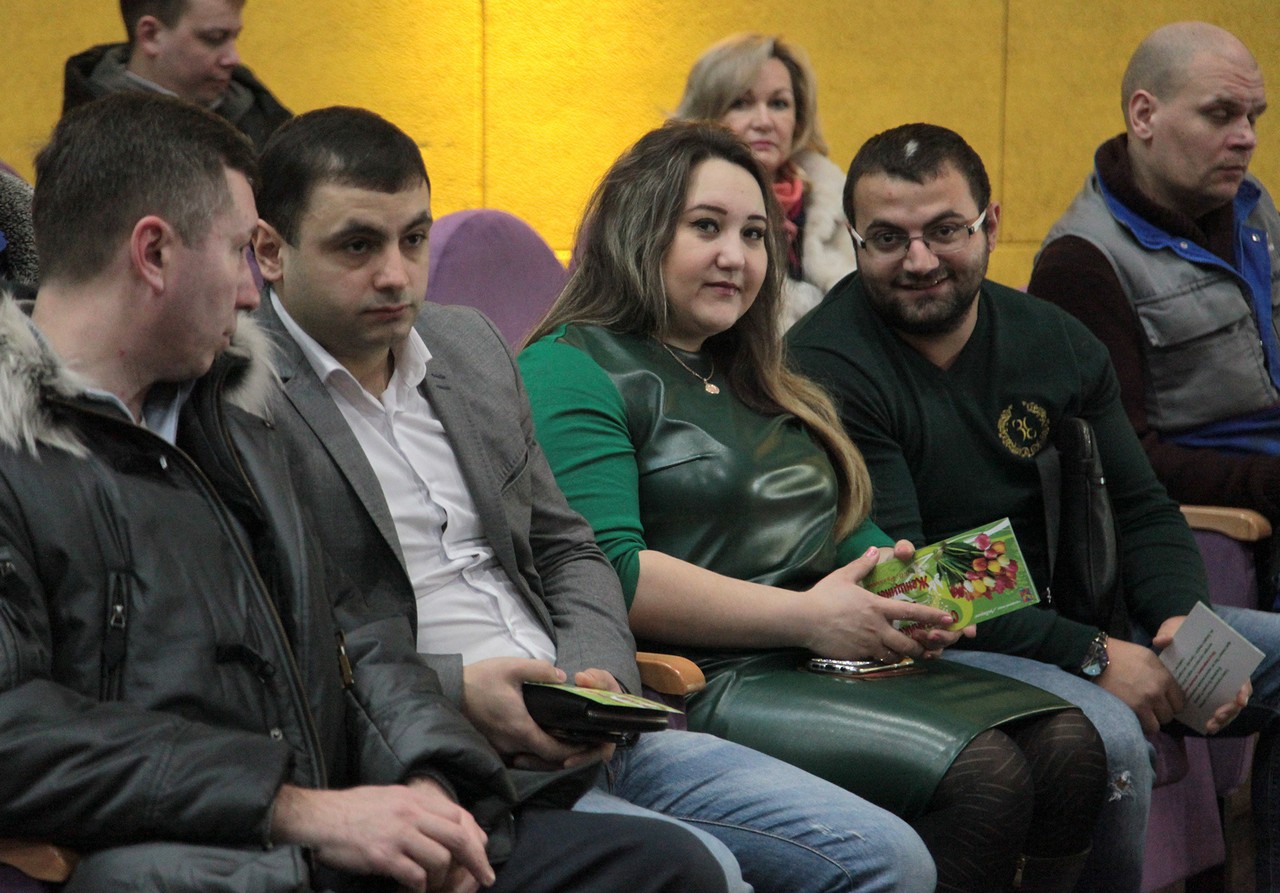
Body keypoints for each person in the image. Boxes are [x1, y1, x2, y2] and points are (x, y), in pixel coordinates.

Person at [0, 90, 731, 893]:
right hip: (198, 850)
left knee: (672, 870)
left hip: (334, 824)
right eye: (239, 251)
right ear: (153, 253)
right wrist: (295, 808)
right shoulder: (18, 455)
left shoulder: (231, 414)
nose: (251, 293)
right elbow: (15, 732)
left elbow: (357, 630)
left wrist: (428, 775)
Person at [251, 103, 939, 893]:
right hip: (429, 746)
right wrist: (454, 690)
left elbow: (568, 547)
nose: (396, 275)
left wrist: (594, 676)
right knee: (707, 872)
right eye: (357, 245)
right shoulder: (242, 399)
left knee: (894, 859)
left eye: (413, 239)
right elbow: (284, 634)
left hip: (593, 718)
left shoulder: (465, 345)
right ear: (270, 251)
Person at [520, 119, 1108, 893]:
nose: (737, 256)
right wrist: (809, 618)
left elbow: (842, 535)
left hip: (829, 657)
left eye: (754, 234)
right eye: (706, 227)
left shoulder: (755, 371)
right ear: (638, 230)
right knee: (986, 774)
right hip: (713, 680)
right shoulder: (569, 364)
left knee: (1071, 745)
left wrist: (921, 596)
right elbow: (611, 574)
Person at [788, 121, 1280, 893]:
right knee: (1113, 741)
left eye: (944, 230)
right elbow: (910, 578)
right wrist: (1092, 653)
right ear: (853, 239)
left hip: (1087, 615)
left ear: (991, 223)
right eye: (887, 238)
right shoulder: (825, 364)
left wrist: (1182, 620)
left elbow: (1143, 506)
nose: (919, 260)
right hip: (942, 646)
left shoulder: (1054, 339)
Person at [1028, 23, 1280, 530]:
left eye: (1253, 117)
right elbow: (1119, 462)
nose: (1247, 139)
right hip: (1230, 518)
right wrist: (1267, 484)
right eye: (1220, 115)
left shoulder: (1251, 206)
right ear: (1144, 115)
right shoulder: (1080, 262)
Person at [672, 33, 855, 330]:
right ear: (706, 113)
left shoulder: (842, 206)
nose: (764, 121)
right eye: (741, 103)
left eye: (779, 104)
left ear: (798, 118)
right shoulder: (669, 201)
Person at [63, 0, 290, 150]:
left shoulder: (260, 113)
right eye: (215, 37)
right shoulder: (89, 145)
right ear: (151, 35)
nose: (233, 58)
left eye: (234, 37)